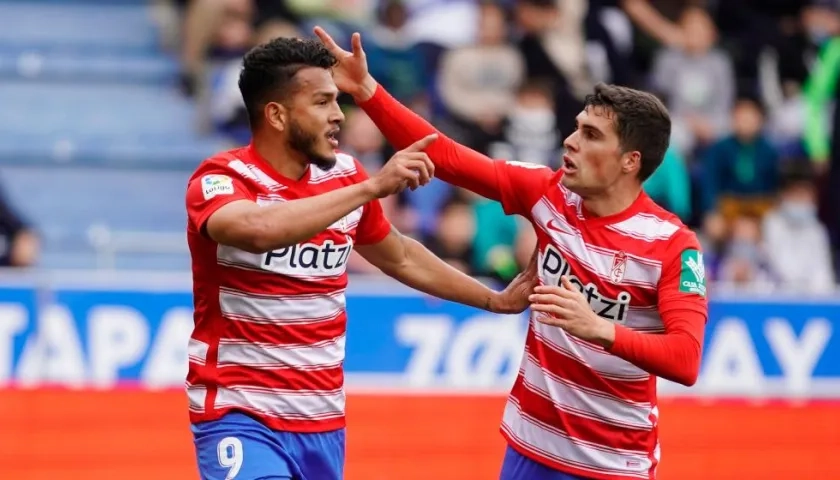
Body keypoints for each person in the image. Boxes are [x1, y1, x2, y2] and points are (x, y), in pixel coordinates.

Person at [315, 27, 709, 480]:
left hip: (612, 464)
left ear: (630, 161)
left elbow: (686, 359)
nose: (571, 141)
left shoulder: (673, 245)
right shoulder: (547, 193)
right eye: (576, 127)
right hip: (529, 449)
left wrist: (598, 327)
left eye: (591, 134)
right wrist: (366, 88)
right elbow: (444, 155)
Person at [184, 37, 536, 480]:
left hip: (323, 422)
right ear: (276, 114)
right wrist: (372, 188)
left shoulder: (344, 176)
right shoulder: (222, 178)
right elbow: (257, 230)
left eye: (338, 100)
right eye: (323, 102)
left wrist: (494, 299)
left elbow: (402, 256)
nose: (338, 115)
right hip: (240, 415)